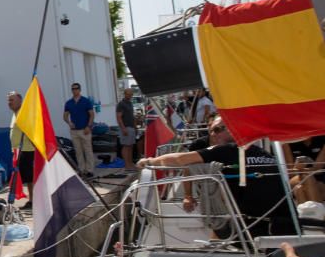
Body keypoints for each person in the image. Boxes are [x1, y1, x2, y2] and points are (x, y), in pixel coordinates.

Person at [137, 117, 298, 238]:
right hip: (289, 225)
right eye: (212, 131)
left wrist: (149, 161)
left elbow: (180, 160)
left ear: (233, 131)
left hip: (256, 229)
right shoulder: (263, 153)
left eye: (218, 129)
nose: (213, 134)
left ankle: (217, 245)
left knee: (219, 220)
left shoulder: (225, 151)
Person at [64, 82, 95, 177]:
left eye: (76, 88)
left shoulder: (86, 101)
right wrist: (69, 123)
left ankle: (90, 170)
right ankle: (82, 170)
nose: (75, 90)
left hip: (85, 130)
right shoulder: (69, 103)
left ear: (80, 89)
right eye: (73, 89)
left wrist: (88, 126)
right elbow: (65, 116)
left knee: (88, 150)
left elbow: (92, 114)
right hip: (74, 131)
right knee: (78, 151)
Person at [7, 92, 35, 196]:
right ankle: (31, 199)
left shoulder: (23, 114)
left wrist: (37, 149)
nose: (10, 102)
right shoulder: (15, 114)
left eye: (12, 100)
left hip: (26, 150)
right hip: (18, 151)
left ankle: (33, 200)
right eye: (8, 100)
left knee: (29, 177)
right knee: (26, 178)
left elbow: (31, 132)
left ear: (20, 101)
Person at [283, 136, 325, 204]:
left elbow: (318, 168)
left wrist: (301, 169)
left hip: (318, 177)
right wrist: (298, 168)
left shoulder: (322, 140)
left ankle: (309, 212)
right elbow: (290, 172)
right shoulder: (287, 143)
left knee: (300, 190)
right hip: (295, 177)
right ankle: (317, 211)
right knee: (306, 178)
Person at [115, 88, 137, 170]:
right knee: (126, 146)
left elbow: (132, 116)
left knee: (131, 146)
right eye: (129, 94)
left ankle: (131, 163)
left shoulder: (130, 103)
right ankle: (127, 165)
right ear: (125, 94)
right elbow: (119, 117)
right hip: (125, 127)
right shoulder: (121, 104)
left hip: (131, 127)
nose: (130, 96)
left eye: (131, 94)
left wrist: (135, 127)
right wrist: (123, 128)